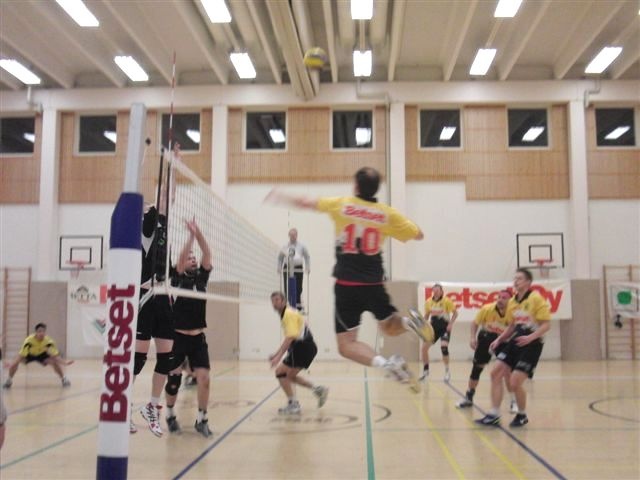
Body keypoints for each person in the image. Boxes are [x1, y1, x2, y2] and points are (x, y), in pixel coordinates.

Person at [265, 167, 427, 384]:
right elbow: (419, 235)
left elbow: (306, 202)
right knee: (389, 326)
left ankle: (386, 364)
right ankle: (409, 323)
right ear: (376, 188)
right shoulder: (387, 214)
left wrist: (281, 196)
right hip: (374, 284)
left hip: (347, 287)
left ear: (356, 186)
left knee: (346, 345)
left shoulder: (342, 205)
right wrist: (401, 223)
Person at [476, 268, 551, 428]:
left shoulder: (536, 299)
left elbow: (546, 325)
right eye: (515, 278)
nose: (516, 281)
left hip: (532, 344)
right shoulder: (512, 302)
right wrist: (499, 340)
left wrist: (530, 337)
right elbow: (512, 326)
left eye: (520, 278)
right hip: (515, 341)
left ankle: (522, 415)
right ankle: (494, 414)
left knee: (515, 382)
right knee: (495, 373)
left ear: (528, 282)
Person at [132, 180, 175, 437]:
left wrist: (174, 170)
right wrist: (167, 178)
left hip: (163, 295)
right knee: (138, 360)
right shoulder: (147, 225)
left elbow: (168, 199)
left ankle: (151, 406)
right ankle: (123, 408)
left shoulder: (164, 225)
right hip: (146, 295)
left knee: (167, 357)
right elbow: (162, 200)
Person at [164, 219, 213, 438]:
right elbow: (181, 259)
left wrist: (198, 232)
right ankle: (170, 414)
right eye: (189, 258)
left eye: (194, 258)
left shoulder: (202, 278)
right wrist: (190, 238)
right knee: (173, 381)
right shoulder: (177, 277)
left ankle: (202, 419)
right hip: (177, 338)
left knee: (204, 379)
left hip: (197, 338)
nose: (192, 259)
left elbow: (207, 253)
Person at [456, 290, 517, 413]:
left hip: (504, 341)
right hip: (486, 338)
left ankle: (513, 401)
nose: (500, 299)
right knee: (477, 368)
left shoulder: (514, 312)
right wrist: (472, 337)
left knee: (507, 371)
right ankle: (469, 397)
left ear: (511, 300)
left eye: (504, 298)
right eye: (499, 297)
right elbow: (475, 323)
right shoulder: (487, 309)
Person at [269, 291, 328, 414]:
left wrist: (278, 357)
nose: (274, 303)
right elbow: (296, 332)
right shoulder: (288, 313)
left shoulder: (288, 314)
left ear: (284, 301)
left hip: (303, 347)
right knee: (290, 376)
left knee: (280, 372)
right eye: (273, 301)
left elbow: (290, 337)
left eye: (277, 300)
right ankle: (318, 390)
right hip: (306, 347)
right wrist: (276, 354)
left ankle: (293, 404)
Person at [3, 323, 72, 389]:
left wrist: (64, 363)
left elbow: (55, 355)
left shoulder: (49, 341)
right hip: (29, 354)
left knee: (54, 362)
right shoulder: (28, 341)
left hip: (42, 354)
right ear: (36, 332)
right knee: (15, 363)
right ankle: (9, 381)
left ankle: (64, 379)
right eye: (39, 331)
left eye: (43, 331)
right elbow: (21, 356)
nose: (41, 333)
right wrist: (12, 364)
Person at [419, 284, 459, 382]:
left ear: (441, 291)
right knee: (424, 349)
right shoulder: (428, 302)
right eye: (434, 290)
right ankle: (426, 372)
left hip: (444, 328)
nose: (436, 292)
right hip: (433, 329)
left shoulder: (447, 301)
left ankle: (447, 371)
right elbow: (427, 315)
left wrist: (451, 324)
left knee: (444, 347)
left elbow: (455, 313)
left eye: (437, 290)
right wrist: (423, 324)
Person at [277, 228, 310, 311]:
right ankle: (287, 305)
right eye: (291, 235)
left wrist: (307, 267)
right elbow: (280, 258)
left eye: (294, 235)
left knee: (298, 288)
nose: (292, 237)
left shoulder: (302, 246)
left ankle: (298, 306)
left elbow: (307, 257)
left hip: (298, 268)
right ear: (289, 236)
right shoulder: (285, 246)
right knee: (287, 288)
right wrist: (279, 268)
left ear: (297, 235)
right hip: (287, 268)